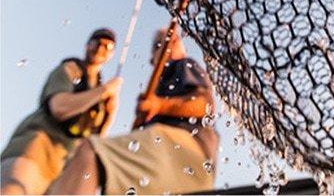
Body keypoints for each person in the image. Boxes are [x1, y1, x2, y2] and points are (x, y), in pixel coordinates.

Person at [47, 28, 220, 195]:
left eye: (175, 40)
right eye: (159, 44)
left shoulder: (184, 65)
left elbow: (206, 105)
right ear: (153, 59)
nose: (171, 44)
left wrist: (158, 105)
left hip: (186, 153)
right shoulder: (160, 86)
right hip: (172, 166)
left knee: (90, 152)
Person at [1, 28, 122, 195]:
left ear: (112, 54)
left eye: (107, 47)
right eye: (97, 43)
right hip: (34, 153)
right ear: (87, 45)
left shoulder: (101, 96)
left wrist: (109, 116)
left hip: (62, 170)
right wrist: (103, 91)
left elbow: (93, 141)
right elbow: (58, 107)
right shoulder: (70, 69)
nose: (101, 48)